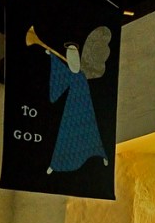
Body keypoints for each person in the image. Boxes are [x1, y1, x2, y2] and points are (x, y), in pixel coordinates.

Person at [45, 42, 108, 175]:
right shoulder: (70, 74)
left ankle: (102, 156)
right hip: (71, 110)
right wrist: (52, 57)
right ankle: (55, 165)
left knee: (91, 133)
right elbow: (61, 74)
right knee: (66, 136)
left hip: (86, 109)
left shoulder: (82, 74)